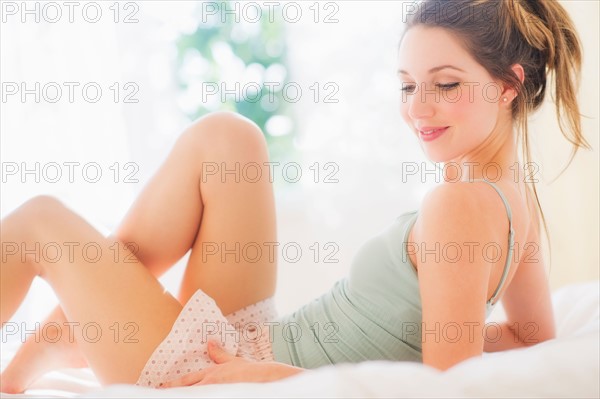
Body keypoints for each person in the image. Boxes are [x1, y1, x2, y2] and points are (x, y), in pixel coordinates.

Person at [0, 0, 590, 392]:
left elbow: (442, 387)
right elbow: (528, 338)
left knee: (37, 221)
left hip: (224, 367)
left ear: (509, 84)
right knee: (228, 138)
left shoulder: (459, 203)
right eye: (408, 86)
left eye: (446, 85)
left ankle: (64, 337)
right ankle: (64, 336)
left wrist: (263, 376)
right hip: (255, 338)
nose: (418, 108)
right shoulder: (519, 204)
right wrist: (441, 331)